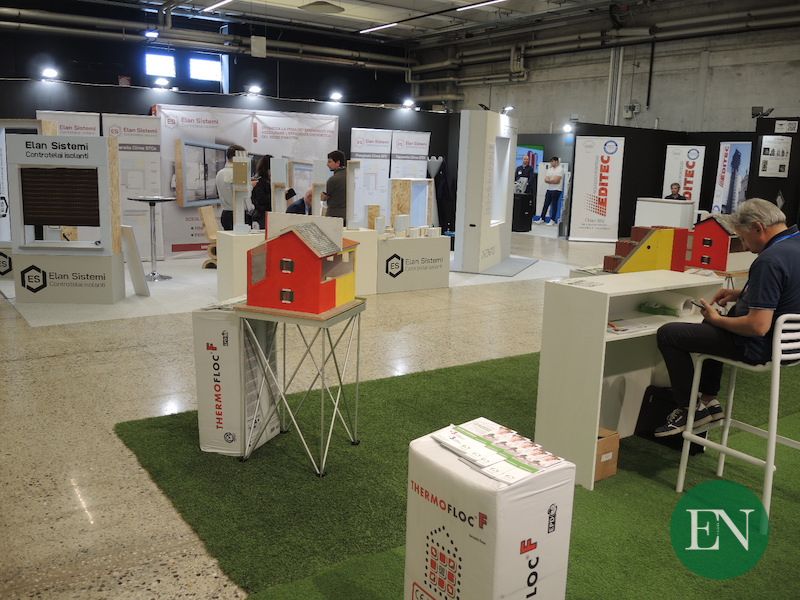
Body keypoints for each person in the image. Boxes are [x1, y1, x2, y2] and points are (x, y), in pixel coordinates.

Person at [654, 198, 800, 437]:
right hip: (791, 347)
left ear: (758, 227)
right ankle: (709, 401)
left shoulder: (770, 259)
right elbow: (789, 292)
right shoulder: (794, 244)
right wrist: (741, 294)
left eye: (742, 238)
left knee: (669, 334)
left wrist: (717, 319)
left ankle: (690, 409)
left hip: (760, 347)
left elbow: (757, 326)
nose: (744, 246)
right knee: (712, 328)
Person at [215, 144, 246, 231]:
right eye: (242, 156)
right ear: (234, 157)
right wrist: (250, 186)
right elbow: (241, 193)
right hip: (238, 215)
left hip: (226, 214)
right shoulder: (237, 173)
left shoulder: (220, 173)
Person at [322, 150, 347, 224]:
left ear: (338, 162)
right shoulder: (350, 177)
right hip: (347, 216)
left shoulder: (333, 179)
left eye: (330, 161)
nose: (327, 164)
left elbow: (324, 198)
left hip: (333, 217)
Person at [250, 154, 273, 230]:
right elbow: (261, 200)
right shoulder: (260, 182)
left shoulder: (265, 181)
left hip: (264, 215)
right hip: (262, 217)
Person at [538, 156, 563, 225]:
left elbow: (557, 181)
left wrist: (550, 180)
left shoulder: (560, 169)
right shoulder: (550, 169)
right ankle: (542, 218)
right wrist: (551, 180)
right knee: (545, 204)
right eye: (551, 162)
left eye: (552, 161)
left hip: (557, 189)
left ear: (556, 161)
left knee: (554, 205)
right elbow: (546, 179)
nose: (551, 163)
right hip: (549, 189)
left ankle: (552, 220)